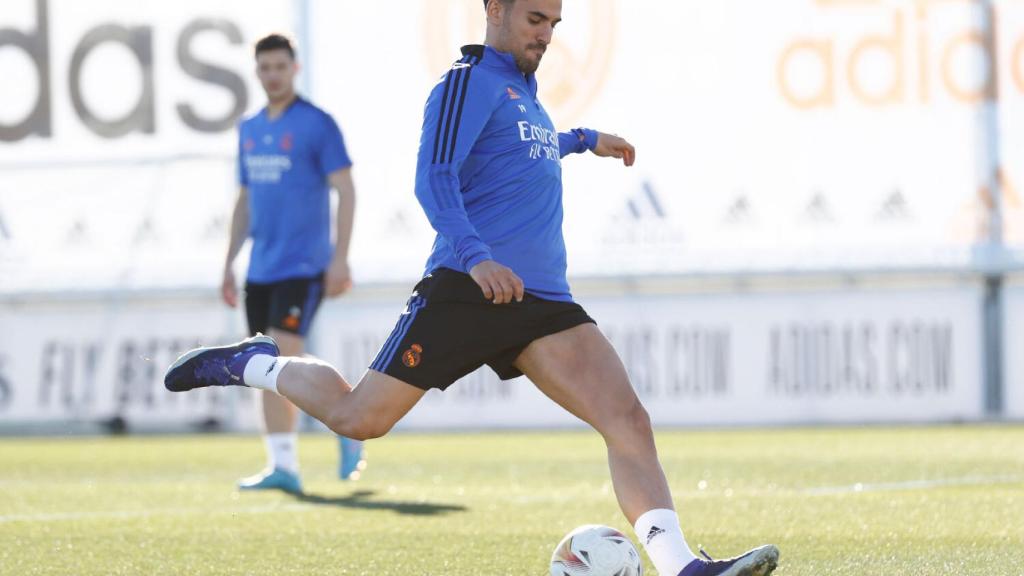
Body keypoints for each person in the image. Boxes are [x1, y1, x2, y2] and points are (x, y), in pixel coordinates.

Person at [167, 3, 778, 574]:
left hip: (542, 301)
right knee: (359, 418)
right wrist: (478, 258)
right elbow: (433, 178)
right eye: (535, 18)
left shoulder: (526, 94)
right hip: (466, 288)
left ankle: (681, 567)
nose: (546, 34)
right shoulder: (466, 82)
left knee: (628, 420)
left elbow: (522, 156)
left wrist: (583, 140)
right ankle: (258, 365)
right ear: (495, 8)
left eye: (555, 23)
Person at [224, 33, 364, 494]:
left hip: (303, 265)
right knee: (264, 367)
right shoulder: (249, 128)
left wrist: (339, 258)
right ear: (257, 71)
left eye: (280, 67)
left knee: (281, 357)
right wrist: (228, 262)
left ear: (294, 69)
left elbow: (345, 190)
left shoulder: (317, 124)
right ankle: (283, 465)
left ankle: (347, 420)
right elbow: (244, 200)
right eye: (264, 68)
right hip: (259, 269)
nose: (272, 76)